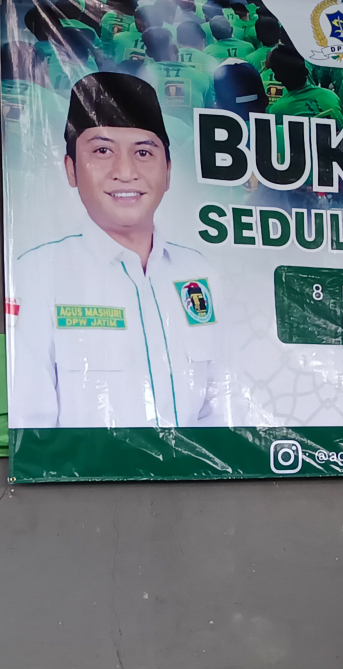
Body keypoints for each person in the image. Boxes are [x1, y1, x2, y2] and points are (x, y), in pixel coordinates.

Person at [8, 72, 231, 428]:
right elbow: (31, 424)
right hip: (88, 467)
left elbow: (222, 406)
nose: (125, 172)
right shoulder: (36, 273)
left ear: (168, 171)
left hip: (191, 466)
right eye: (102, 151)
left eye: (143, 152)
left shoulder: (198, 273)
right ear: (71, 169)